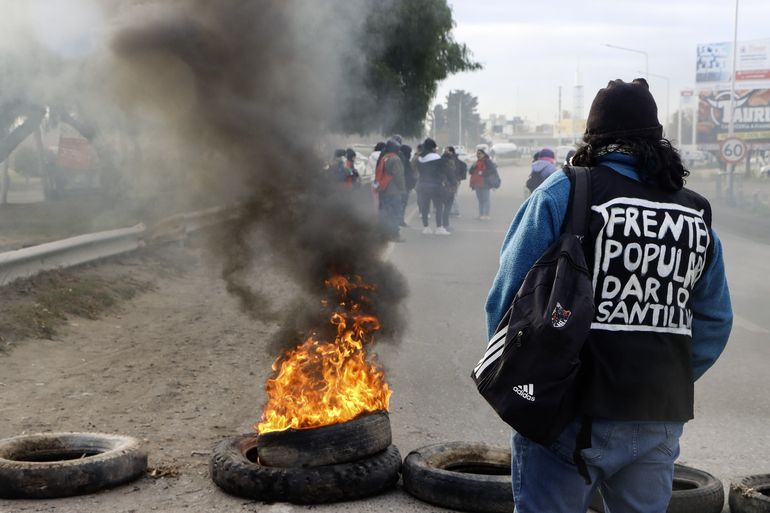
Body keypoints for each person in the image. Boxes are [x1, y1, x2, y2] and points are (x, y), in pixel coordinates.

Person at [485, 78, 733, 513]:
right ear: (656, 140)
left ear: (593, 138)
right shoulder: (695, 215)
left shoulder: (565, 191)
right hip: (658, 420)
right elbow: (716, 319)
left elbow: (508, 297)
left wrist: (521, 377)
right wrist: (662, 376)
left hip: (567, 416)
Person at [416, 138, 453, 235]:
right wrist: (452, 182)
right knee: (438, 206)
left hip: (422, 185)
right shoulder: (437, 158)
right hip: (435, 186)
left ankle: (426, 227)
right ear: (433, 148)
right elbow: (445, 171)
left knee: (425, 206)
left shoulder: (420, 159)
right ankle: (439, 228)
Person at [373, 139, 405, 242]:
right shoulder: (395, 159)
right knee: (395, 213)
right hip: (393, 191)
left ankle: (384, 235)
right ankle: (394, 235)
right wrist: (402, 188)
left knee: (385, 213)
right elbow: (398, 176)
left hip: (383, 189)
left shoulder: (384, 157)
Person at [469, 147, 497, 220]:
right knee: (480, 200)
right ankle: (481, 214)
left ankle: (486, 215)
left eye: (480, 153)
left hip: (485, 184)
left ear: (484, 154)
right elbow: (470, 172)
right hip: (477, 184)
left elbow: (492, 170)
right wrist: (473, 167)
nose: (478, 155)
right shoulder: (476, 162)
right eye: (477, 154)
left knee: (486, 200)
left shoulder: (487, 161)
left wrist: (482, 173)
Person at [445, 146, 467, 217]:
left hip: (453, 180)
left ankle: (456, 211)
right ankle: (451, 211)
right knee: (451, 195)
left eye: (447, 151)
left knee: (453, 195)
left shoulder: (453, 160)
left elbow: (455, 171)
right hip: (452, 180)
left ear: (451, 152)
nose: (445, 152)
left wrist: (457, 179)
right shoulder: (453, 159)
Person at [399, 144, 416, 227]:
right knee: (402, 204)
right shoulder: (404, 161)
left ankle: (399, 220)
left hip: (403, 186)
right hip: (404, 186)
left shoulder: (401, 160)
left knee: (401, 204)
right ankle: (400, 220)